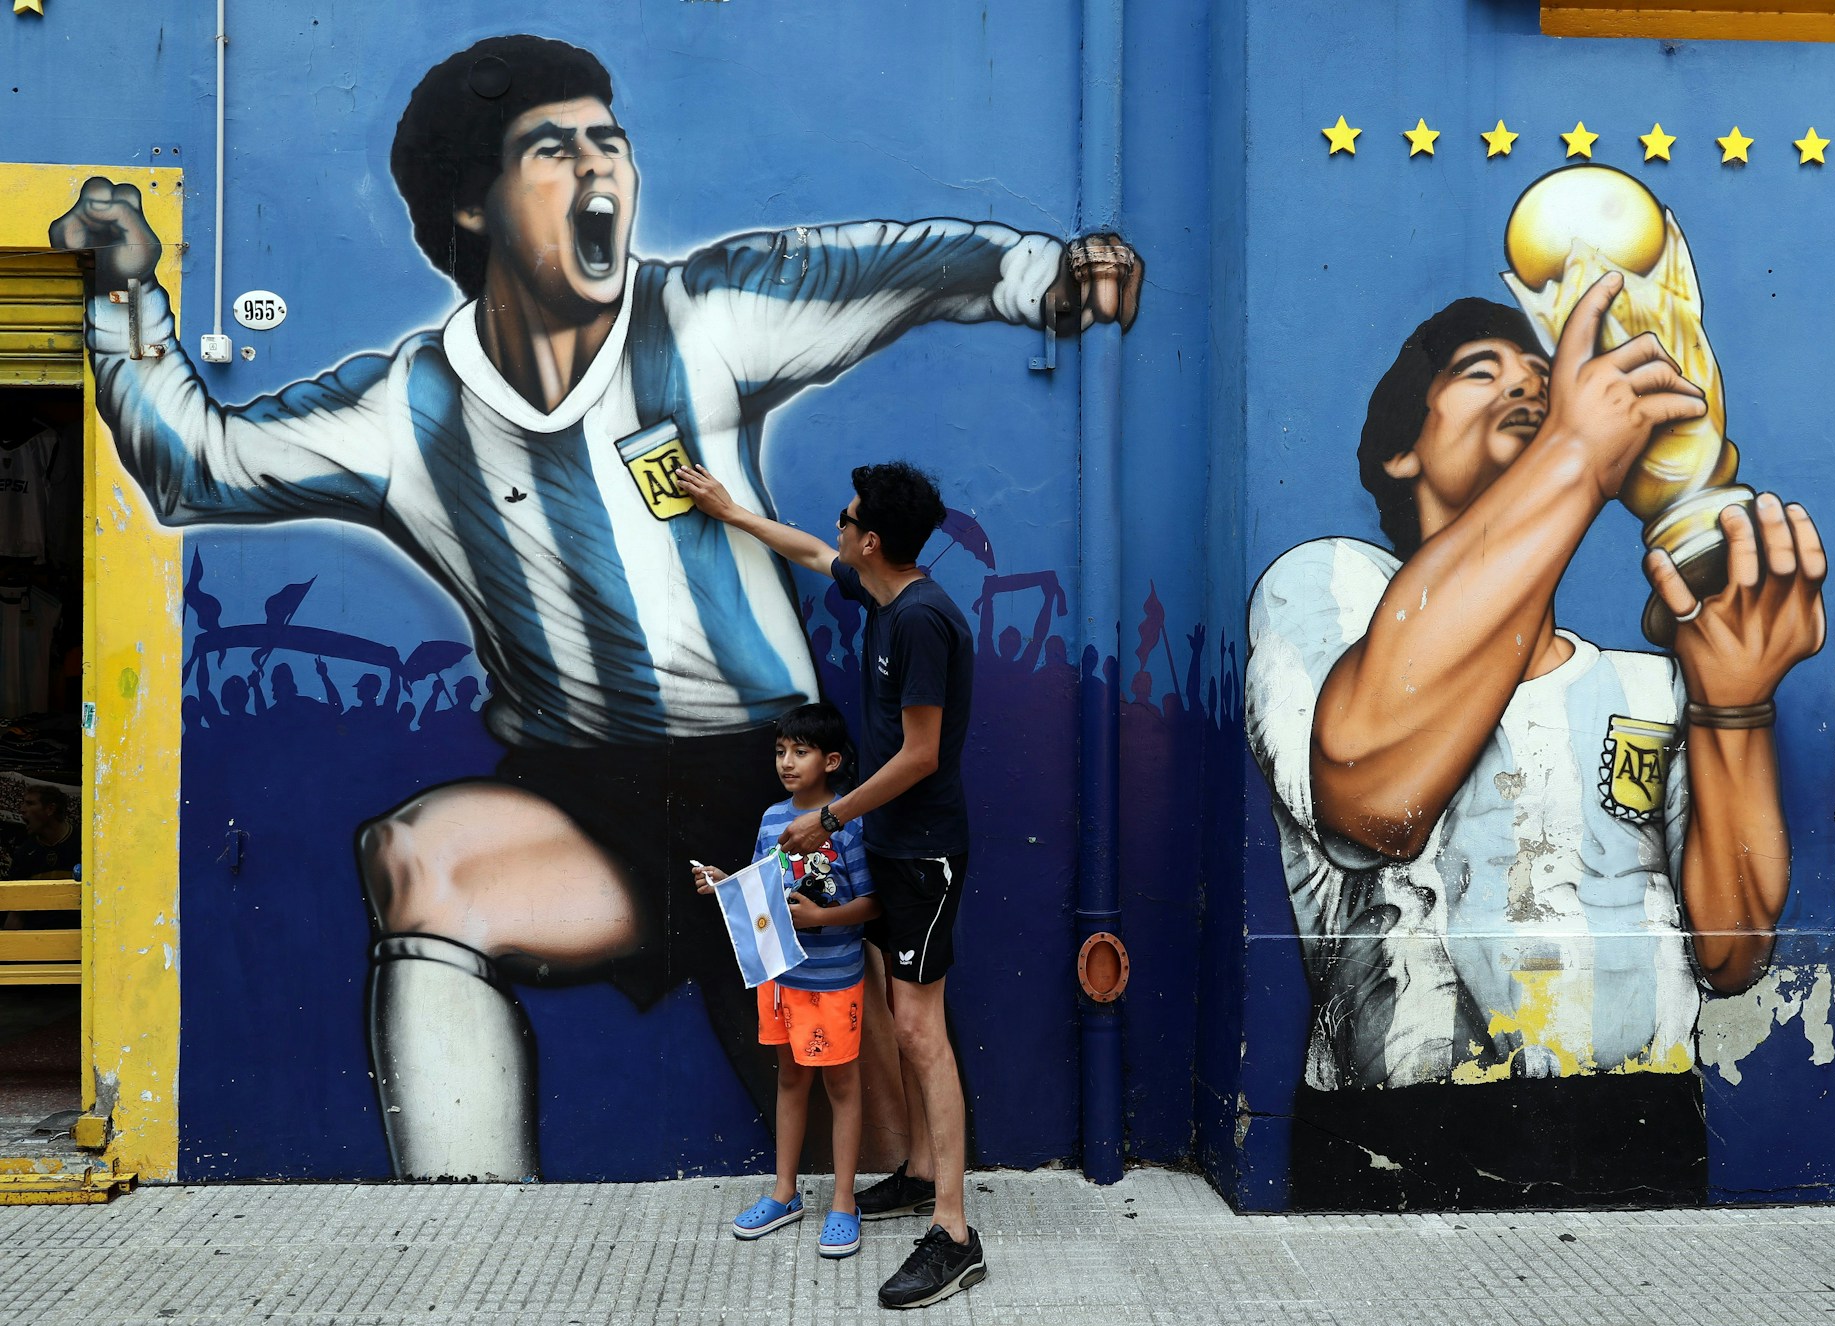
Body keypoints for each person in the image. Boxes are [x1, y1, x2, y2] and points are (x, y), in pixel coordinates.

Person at [48, 34, 1140, 1180]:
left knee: (863, 1111)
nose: (597, 168)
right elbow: (201, 465)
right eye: (554, 149)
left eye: (607, 142)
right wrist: (127, 295)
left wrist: (1042, 274)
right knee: (421, 859)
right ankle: (464, 1232)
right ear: (471, 206)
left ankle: (926, 1206)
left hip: (758, 784)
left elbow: (888, 266)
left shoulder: (706, 317)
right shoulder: (404, 410)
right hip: (585, 799)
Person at [1243, 281, 1826, 1209]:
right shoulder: (1327, 593)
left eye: (1545, 378)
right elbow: (1375, 801)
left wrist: (1735, 707)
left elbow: (1733, 950)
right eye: (1484, 370)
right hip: (1400, 1138)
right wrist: (1572, 458)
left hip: (1644, 1127)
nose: (1529, 385)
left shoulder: (1644, 684)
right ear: (1402, 449)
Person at [679, 459, 983, 1309]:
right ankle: (922, 1173)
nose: (840, 528)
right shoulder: (883, 593)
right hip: (889, 841)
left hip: (922, 853)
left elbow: (921, 755)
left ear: (875, 538)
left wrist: (835, 816)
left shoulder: (922, 620)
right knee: (902, 1016)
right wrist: (732, 511)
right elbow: (812, 555)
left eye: (850, 520)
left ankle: (954, 1231)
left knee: (921, 1031)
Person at [694, 701, 878, 1260]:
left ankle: (844, 1201)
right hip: (782, 980)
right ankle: (784, 1193)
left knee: (842, 1087)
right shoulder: (773, 819)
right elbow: (761, 893)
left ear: (833, 759)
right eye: (780, 751)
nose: (787, 762)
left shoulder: (849, 822)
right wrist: (727, 884)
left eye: (801, 751)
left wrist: (822, 918)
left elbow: (873, 903)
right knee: (791, 1081)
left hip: (835, 980)